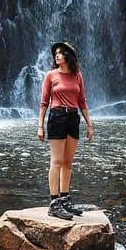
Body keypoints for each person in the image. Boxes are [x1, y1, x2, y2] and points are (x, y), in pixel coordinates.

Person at [37, 41, 94, 220]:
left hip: (73, 118)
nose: (57, 55)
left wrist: (89, 124)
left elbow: (82, 101)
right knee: (57, 161)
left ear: (69, 56)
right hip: (57, 117)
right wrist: (40, 126)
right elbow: (44, 102)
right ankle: (54, 203)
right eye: (56, 53)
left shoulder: (77, 75)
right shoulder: (50, 75)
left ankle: (65, 199)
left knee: (68, 163)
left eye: (61, 53)